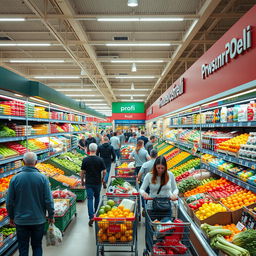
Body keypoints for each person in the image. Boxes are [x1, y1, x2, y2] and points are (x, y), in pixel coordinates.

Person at [6, 152, 54, 256]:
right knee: (37, 246)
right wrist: (51, 215)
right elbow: (48, 200)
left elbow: (9, 201)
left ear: (23, 162)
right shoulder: (43, 178)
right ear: (36, 162)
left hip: (20, 220)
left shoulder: (14, 179)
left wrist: (11, 216)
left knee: (23, 248)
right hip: (38, 220)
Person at [81, 143, 106, 226]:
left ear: (89, 149)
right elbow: (104, 171)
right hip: (97, 182)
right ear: (96, 150)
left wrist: (82, 181)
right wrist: (102, 179)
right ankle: (96, 213)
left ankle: (91, 216)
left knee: (90, 199)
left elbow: (82, 172)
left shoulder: (85, 160)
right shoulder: (100, 160)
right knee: (97, 197)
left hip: (89, 182)